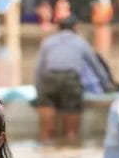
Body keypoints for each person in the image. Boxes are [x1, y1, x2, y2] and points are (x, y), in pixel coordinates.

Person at [34, 15, 113, 144]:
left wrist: (38, 90)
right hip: (70, 78)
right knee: (71, 133)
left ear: (58, 28)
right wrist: (106, 86)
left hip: (49, 78)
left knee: (45, 130)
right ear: (75, 27)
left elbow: (38, 69)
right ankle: (71, 147)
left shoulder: (48, 42)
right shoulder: (81, 42)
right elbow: (96, 67)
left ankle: (45, 142)